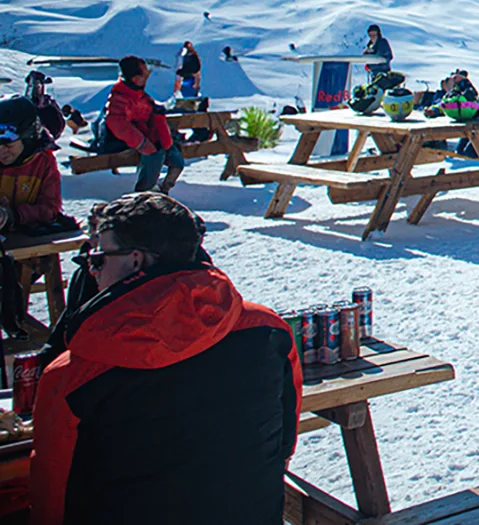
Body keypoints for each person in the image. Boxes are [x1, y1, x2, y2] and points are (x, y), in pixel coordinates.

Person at [29, 192, 302, 525]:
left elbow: (51, 501)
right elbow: (284, 445)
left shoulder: (73, 376)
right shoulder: (268, 330)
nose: (92, 271)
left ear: (135, 261)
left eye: (99, 259)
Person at [0, 111, 65, 335]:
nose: (1, 150)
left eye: (7, 143)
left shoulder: (43, 162)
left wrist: (14, 215)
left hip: (26, 246)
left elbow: (51, 208)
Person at [107, 56, 184, 195]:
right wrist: (142, 143)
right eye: (145, 72)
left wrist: (164, 138)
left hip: (147, 135)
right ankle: (144, 193)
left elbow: (151, 117)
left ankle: (163, 190)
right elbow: (118, 124)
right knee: (155, 154)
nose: (148, 74)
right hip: (123, 141)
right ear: (135, 79)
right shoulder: (120, 96)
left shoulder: (142, 94)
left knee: (176, 160)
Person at [22, 72, 64, 147]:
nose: (34, 89)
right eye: (31, 85)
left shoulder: (49, 106)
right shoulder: (22, 105)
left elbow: (58, 124)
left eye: (38, 86)